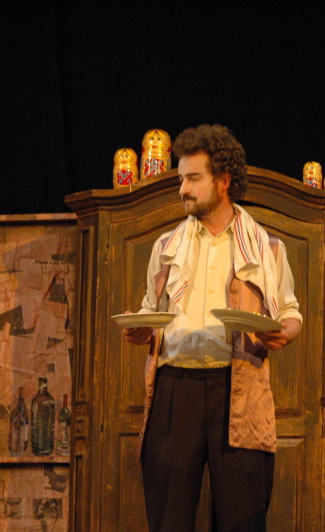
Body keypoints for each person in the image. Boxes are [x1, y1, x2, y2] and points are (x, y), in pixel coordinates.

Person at [123, 124, 303, 532]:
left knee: (242, 518)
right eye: (181, 179)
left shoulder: (265, 247)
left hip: (236, 390)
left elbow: (291, 312)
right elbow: (152, 309)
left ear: (223, 181)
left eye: (192, 179)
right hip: (174, 389)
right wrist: (141, 329)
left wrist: (284, 333)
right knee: (168, 519)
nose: (182, 189)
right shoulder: (166, 246)